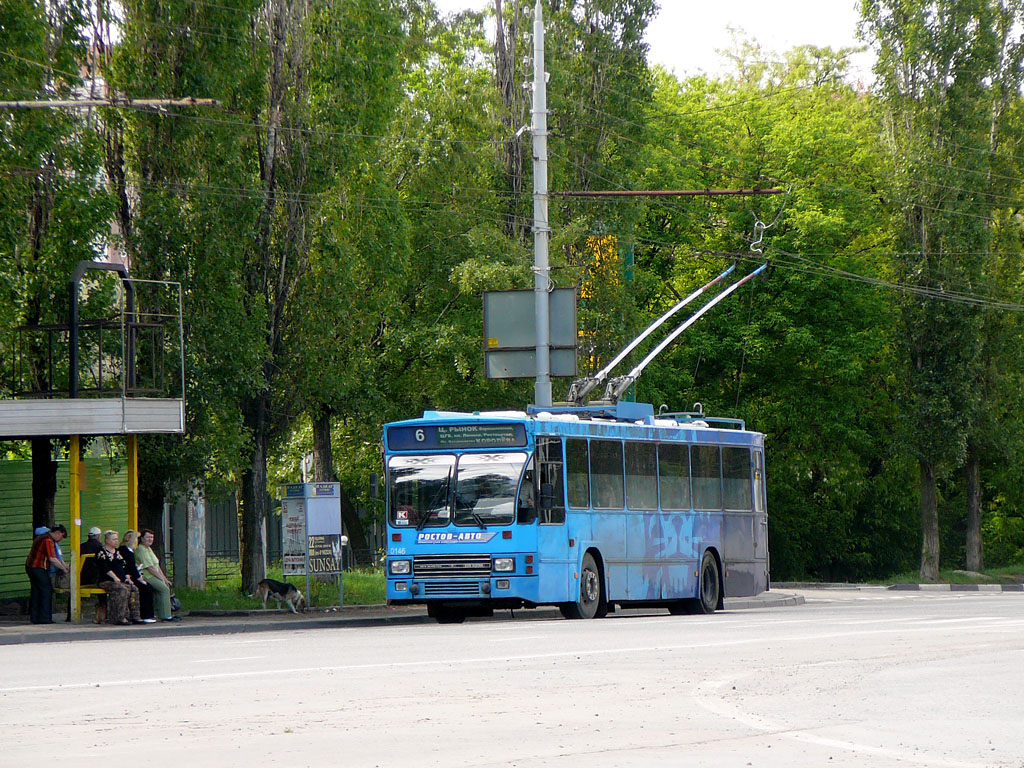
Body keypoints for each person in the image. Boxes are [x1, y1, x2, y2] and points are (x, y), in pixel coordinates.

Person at [94, 530, 143, 625]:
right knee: (122, 589)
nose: (116, 541)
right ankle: (119, 617)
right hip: (107, 580)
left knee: (134, 589)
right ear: (107, 540)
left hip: (121, 580)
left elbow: (123, 566)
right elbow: (104, 567)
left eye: (117, 539)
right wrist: (115, 578)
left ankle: (134, 616)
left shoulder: (117, 552)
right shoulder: (101, 552)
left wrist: (127, 577)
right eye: (114, 539)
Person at [24, 525, 70, 624]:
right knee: (46, 591)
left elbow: (56, 557)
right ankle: (45, 618)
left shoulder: (42, 536)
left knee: (36, 591)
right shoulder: (48, 541)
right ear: (57, 533)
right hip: (38, 567)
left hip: (31, 566)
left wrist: (63, 564)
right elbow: (52, 558)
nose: (60, 539)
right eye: (61, 536)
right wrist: (64, 569)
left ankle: (35, 617)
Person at [136, 529, 180, 622]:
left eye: (152, 537)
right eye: (148, 537)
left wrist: (164, 579)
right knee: (164, 589)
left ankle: (164, 613)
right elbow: (150, 568)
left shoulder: (148, 549)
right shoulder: (141, 549)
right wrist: (161, 580)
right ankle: (166, 616)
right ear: (142, 538)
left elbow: (157, 566)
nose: (150, 539)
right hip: (147, 576)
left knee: (164, 587)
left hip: (153, 575)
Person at [118, 531, 157, 623]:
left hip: (129, 575)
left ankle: (146, 614)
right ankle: (145, 615)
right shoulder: (127, 551)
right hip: (128, 577)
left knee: (146, 587)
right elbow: (131, 567)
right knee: (145, 588)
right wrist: (140, 578)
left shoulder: (126, 550)